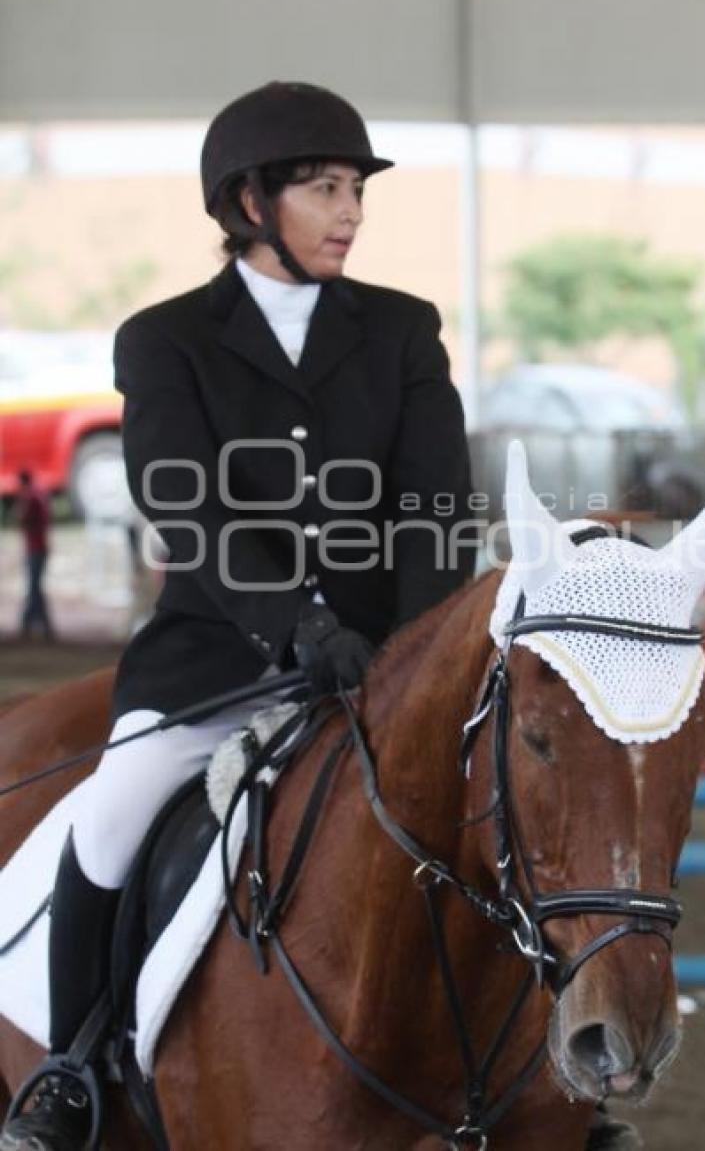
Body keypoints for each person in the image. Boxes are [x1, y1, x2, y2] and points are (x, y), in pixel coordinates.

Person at [1, 82, 475, 1151]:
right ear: (249, 203)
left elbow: (435, 504)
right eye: (323, 188)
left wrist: (411, 651)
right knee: (113, 813)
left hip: (387, 666)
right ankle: (72, 1068)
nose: (349, 210)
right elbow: (188, 501)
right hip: (219, 661)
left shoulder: (403, 330)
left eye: (355, 189)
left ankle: (541, 1086)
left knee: (512, 820)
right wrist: (298, 627)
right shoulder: (165, 340)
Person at [16, 469, 54, 641]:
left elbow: (25, 520)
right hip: (38, 547)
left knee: (34, 587)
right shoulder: (38, 494)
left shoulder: (30, 497)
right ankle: (41, 625)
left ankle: (30, 623)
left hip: (35, 548)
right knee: (35, 587)